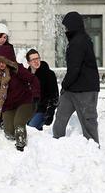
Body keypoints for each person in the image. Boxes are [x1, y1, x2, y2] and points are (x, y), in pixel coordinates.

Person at [52, 12, 100, 144]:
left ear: (72, 26)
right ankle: (55, 146)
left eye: (66, 26)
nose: (65, 29)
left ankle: (93, 150)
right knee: (60, 117)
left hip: (85, 90)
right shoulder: (78, 40)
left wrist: (64, 84)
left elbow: (74, 69)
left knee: (88, 121)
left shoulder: (79, 42)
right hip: (73, 89)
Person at [0, 44, 40, 151]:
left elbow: (33, 79)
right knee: (9, 132)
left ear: (8, 60)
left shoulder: (17, 69)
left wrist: (36, 95)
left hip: (24, 102)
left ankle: (21, 143)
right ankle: (14, 136)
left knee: (18, 123)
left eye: (3, 61)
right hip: (8, 105)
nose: (1, 64)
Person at [25, 49, 59, 131]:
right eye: (33, 60)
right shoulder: (26, 75)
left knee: (31, 129)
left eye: (37, 58)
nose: (36, 61)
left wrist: (49, 113)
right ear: (28, 62)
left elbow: (54, 96)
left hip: (42, 110)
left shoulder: (49, 74)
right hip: (28, 110)